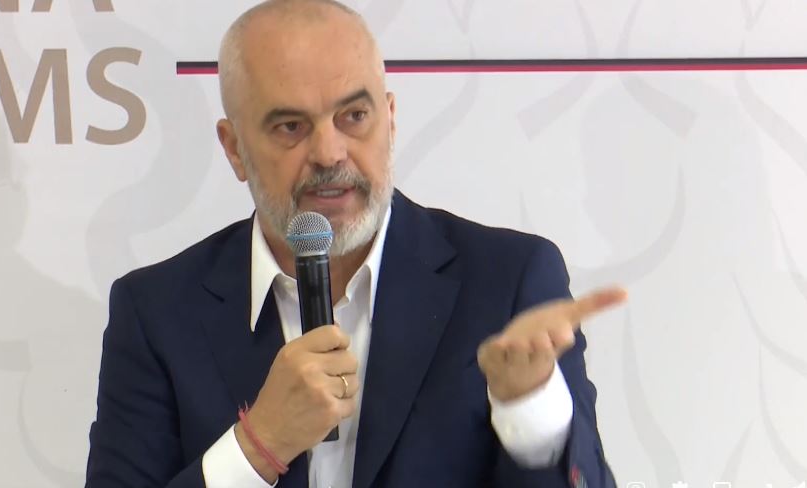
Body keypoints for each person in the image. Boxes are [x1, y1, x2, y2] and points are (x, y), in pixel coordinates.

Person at [85, 1, 627, 486]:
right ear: (234, 148)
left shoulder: (507, 280)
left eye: (354, 117)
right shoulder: (157, 311)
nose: (329, 153)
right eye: (290, 126)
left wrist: (529, 408)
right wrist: (257, 447)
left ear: (389, 119)